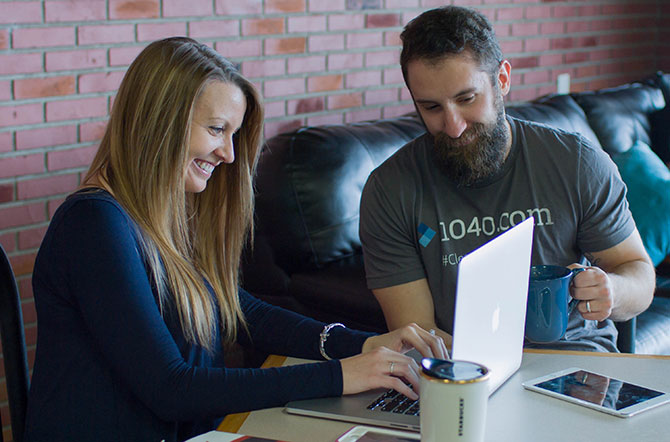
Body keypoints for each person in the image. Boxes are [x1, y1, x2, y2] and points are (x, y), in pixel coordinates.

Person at [24, 37, 447, 442]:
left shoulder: (157, 215)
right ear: (158, 122)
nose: (228, 154)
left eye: (233, 135)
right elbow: (171, 388)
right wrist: (341, 375)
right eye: (215, 129)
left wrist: (361, 344)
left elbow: (239, 311)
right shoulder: (94, 223)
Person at [359, 6, 655, 353]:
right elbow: (418, 336)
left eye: (466, 99)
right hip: (466, 371)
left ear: (502, 79)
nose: (453, 126)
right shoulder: (390, 189)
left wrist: (613, 291)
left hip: (578, 365)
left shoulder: (575, 162)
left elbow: (639, 274)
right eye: (432, 108)